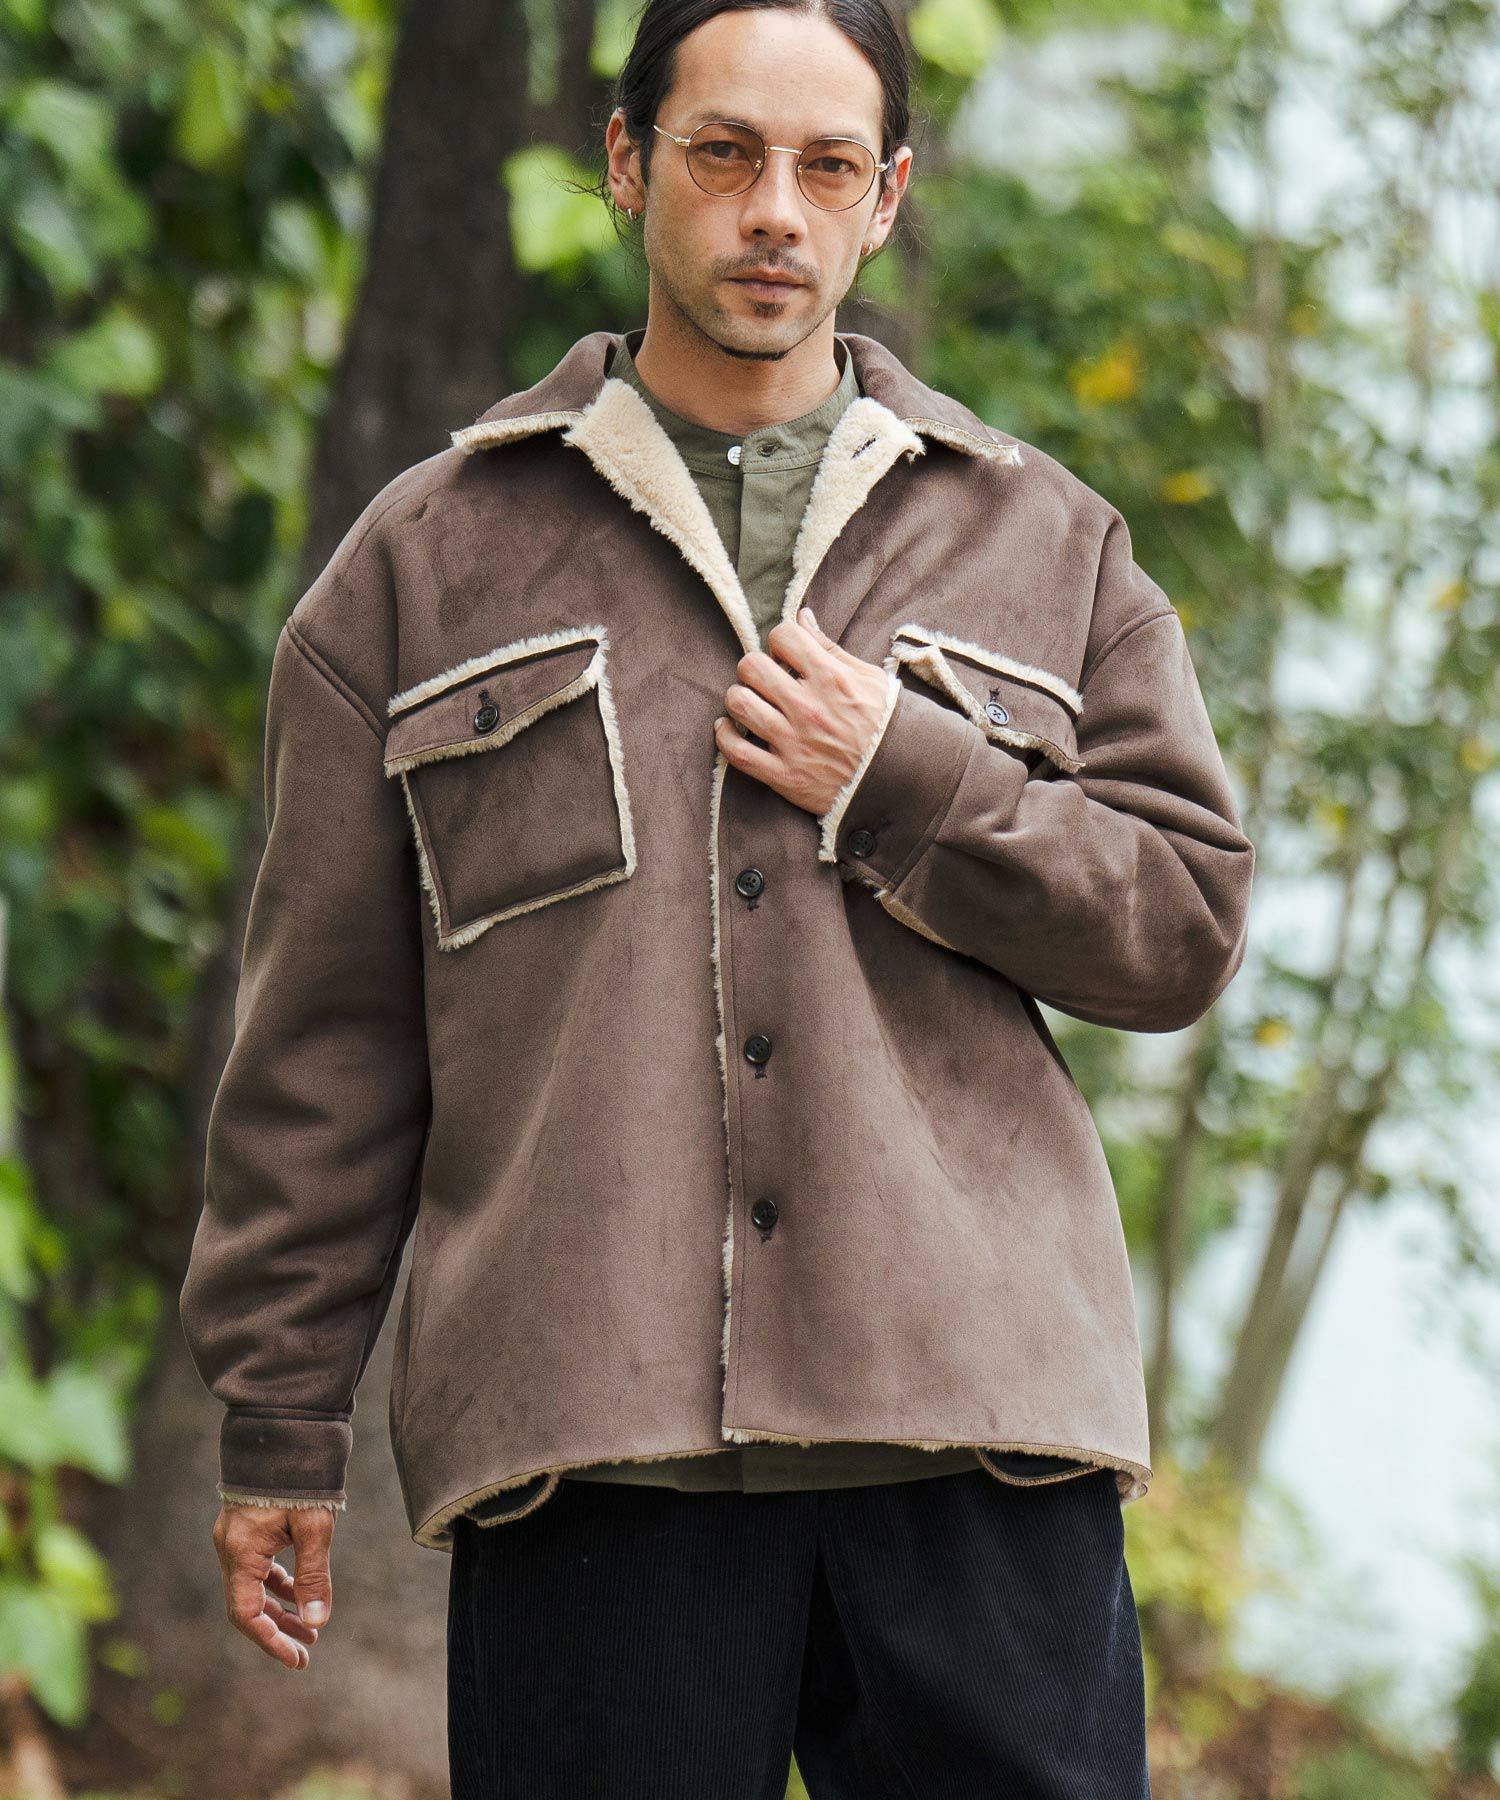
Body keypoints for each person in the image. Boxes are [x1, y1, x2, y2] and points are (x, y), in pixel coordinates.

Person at [179, 0, 1255, 1791]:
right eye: (726, 153)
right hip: (591, 1450)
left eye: (828, 167)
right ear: (629, 163)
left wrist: (907, 774)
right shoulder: (421, 570)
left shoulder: (1047, 543)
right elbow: (327, 1047)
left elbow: (1181, 925)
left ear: (886, 197)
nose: (775, 210)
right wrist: (280, 1416)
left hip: (979, 1443)